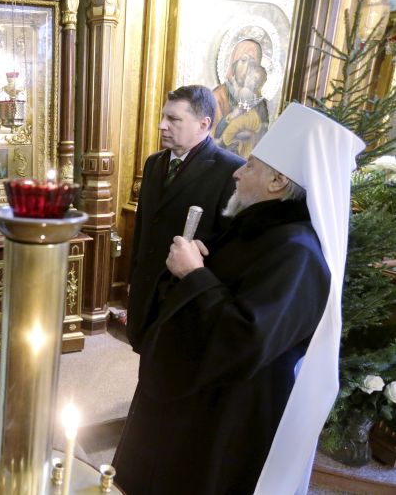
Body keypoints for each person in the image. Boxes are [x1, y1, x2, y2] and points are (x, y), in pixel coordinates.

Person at [113, 103, 365, 494]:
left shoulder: (297, 253)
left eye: (250, 166)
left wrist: (194, 274)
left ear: (277, 181)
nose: (237, 171)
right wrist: (192, 269)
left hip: (225, 412)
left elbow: (246, 338)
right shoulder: (258, 227)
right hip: (194, 395)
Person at [126, 85, 244, 353]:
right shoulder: (154, 163)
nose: (161, 125)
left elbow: (229, 246)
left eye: (173, 119)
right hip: (146, 289)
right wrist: (133, 277)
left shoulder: (232, 170)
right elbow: (143, 225)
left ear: (203, 124)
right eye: (163, 116)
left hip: (184, 295)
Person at [212, 39, 270, 156]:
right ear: (234, 62)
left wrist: (251, 135)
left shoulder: (259, 101)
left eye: (252, 63)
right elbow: (210, 137)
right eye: (243, 60)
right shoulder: (218, 95)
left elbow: (263, 134)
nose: (247, 68)